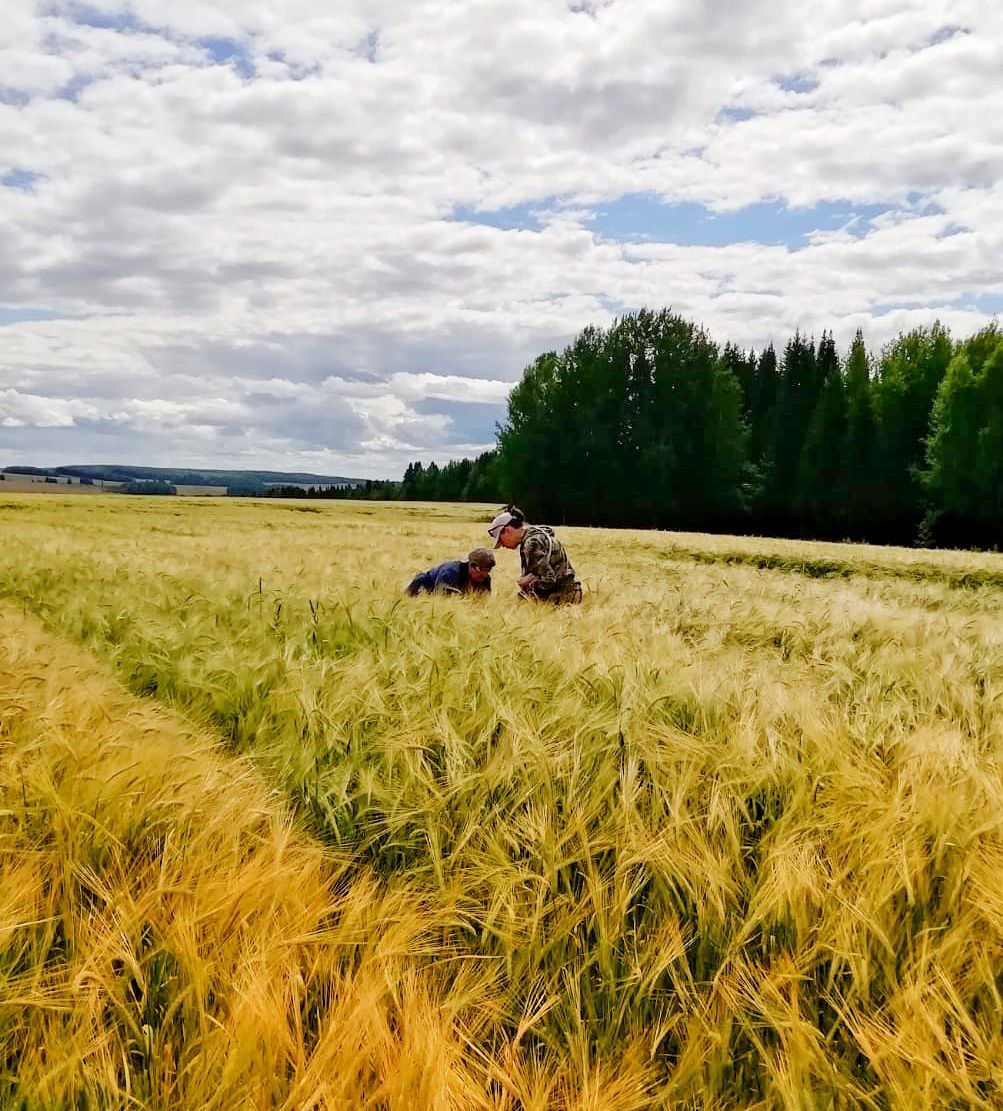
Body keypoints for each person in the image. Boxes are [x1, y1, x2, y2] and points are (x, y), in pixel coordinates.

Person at [487, 505, 582, 605]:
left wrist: (525, 583)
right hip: (571, 593)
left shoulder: (531, 543)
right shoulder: (539, 535)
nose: (502, 545)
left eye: (500, 540)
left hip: (562, 597)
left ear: (507, 530)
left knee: (520, 605)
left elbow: (548, 581)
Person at [406, 547, 495, 596]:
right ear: (471, 565)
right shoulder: (450, 572)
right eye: (482, 569)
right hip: (425, 589)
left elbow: (483, 600)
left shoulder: (486, 579)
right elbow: (442, 597)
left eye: (489, 570)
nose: (485, 574)